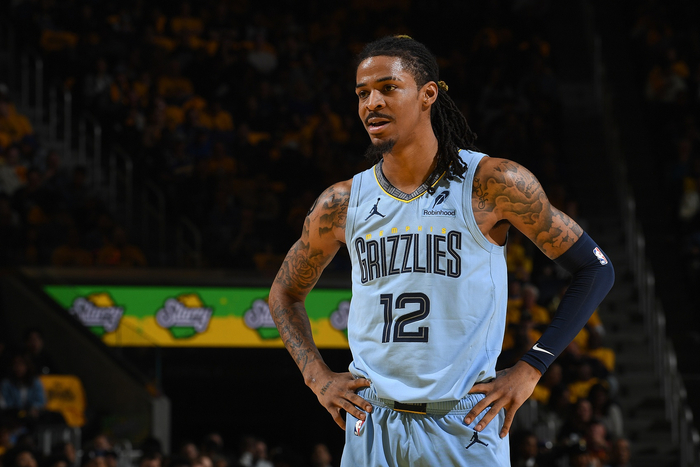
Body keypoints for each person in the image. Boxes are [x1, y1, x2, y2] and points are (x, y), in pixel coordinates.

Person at [268, 35, 615, 466]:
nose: (371, 103)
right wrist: (316, 377)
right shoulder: (340, 203)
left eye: (388, 88)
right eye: (362, 93)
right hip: (373, 422)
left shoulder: (492, 183)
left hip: (464, 421)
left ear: (428, 94)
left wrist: (532, 367)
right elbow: (284, 293)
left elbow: (595, 269)